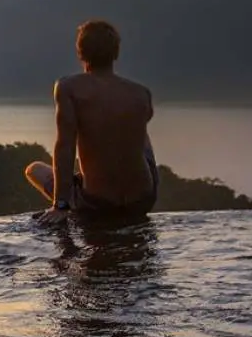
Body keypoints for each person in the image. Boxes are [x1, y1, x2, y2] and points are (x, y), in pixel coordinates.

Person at [26, 20, 159, 225]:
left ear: (81, 53)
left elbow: (65, 146)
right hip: (142, 199)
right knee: (138, 131)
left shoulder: (69, 87)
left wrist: (60, 204)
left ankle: (90, 184)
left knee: (34, 169)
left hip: (98, 203)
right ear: (116, 53)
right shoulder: (141, 93)